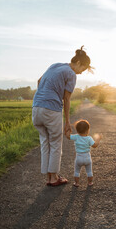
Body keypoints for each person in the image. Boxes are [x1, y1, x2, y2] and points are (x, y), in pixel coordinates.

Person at [32, 46, 92, 187]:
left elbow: (39, 81)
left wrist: (44, 95)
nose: (81, 73)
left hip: (36, 108)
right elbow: (66, 99)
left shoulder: (55, 65)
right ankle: (53, 178)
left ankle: (49, 176)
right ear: (78, 63)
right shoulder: (71, 74)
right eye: (82, 69)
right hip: (51, 110)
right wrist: (67, 122)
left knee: (45, 142)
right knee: (55, 143)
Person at [65, 119, 103, 187]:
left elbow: (68, 136)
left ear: (77, 130)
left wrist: (68, 130)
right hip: (87, 158)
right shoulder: (89, 138)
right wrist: (98, 139)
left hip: (78, 158)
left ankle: (76, 183)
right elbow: (94, 145)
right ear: (88, 130)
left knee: (77, 171)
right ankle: (90, 182)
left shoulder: (76, 137)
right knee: (89, 171)